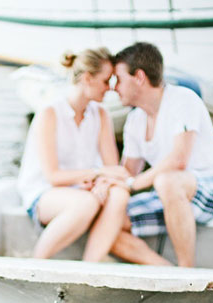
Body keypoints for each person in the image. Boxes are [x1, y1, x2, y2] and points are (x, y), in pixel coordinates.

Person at [111, 42, 213, 268]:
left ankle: (186, 272)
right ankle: (166, 270)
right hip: (170, 195)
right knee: (109, 223)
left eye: (118, 79)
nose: (114, 87)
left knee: (167, 180)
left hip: (211, 189)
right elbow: (127, 171)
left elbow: (179, 160)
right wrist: (103, 180)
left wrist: (133, 183)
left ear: (138, 77)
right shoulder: (135, 120)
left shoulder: (182, 100)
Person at [17, 48, 129, 261]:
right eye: (106, 81)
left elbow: (112, 168)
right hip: (44, 193)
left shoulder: (101, 115)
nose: (110, 88)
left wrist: (103, 181)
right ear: (88, 78)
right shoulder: (49, 113)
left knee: (119, 194)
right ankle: (37, 263)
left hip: (81, 189)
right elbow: (53, 176)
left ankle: (89, 267)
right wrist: (96, 174)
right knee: (87, 203)